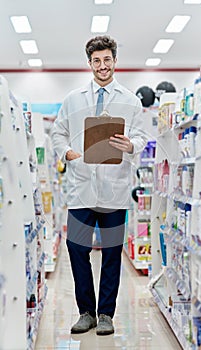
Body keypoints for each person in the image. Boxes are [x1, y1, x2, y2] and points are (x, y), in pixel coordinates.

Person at [51, 35, 149, 336]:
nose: (102, 66)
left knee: (111, 250)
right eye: (96, 61)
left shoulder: (131, 101)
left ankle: (106, 314)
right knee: (77, 247)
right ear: (89, 63)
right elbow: (58, 134)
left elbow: (143, 139)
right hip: (82, 188)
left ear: (115, 61)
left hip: (114, 189)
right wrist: (67, 153)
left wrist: (130, 144)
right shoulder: (73, 99)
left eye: (107, 60)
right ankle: (86, 312)